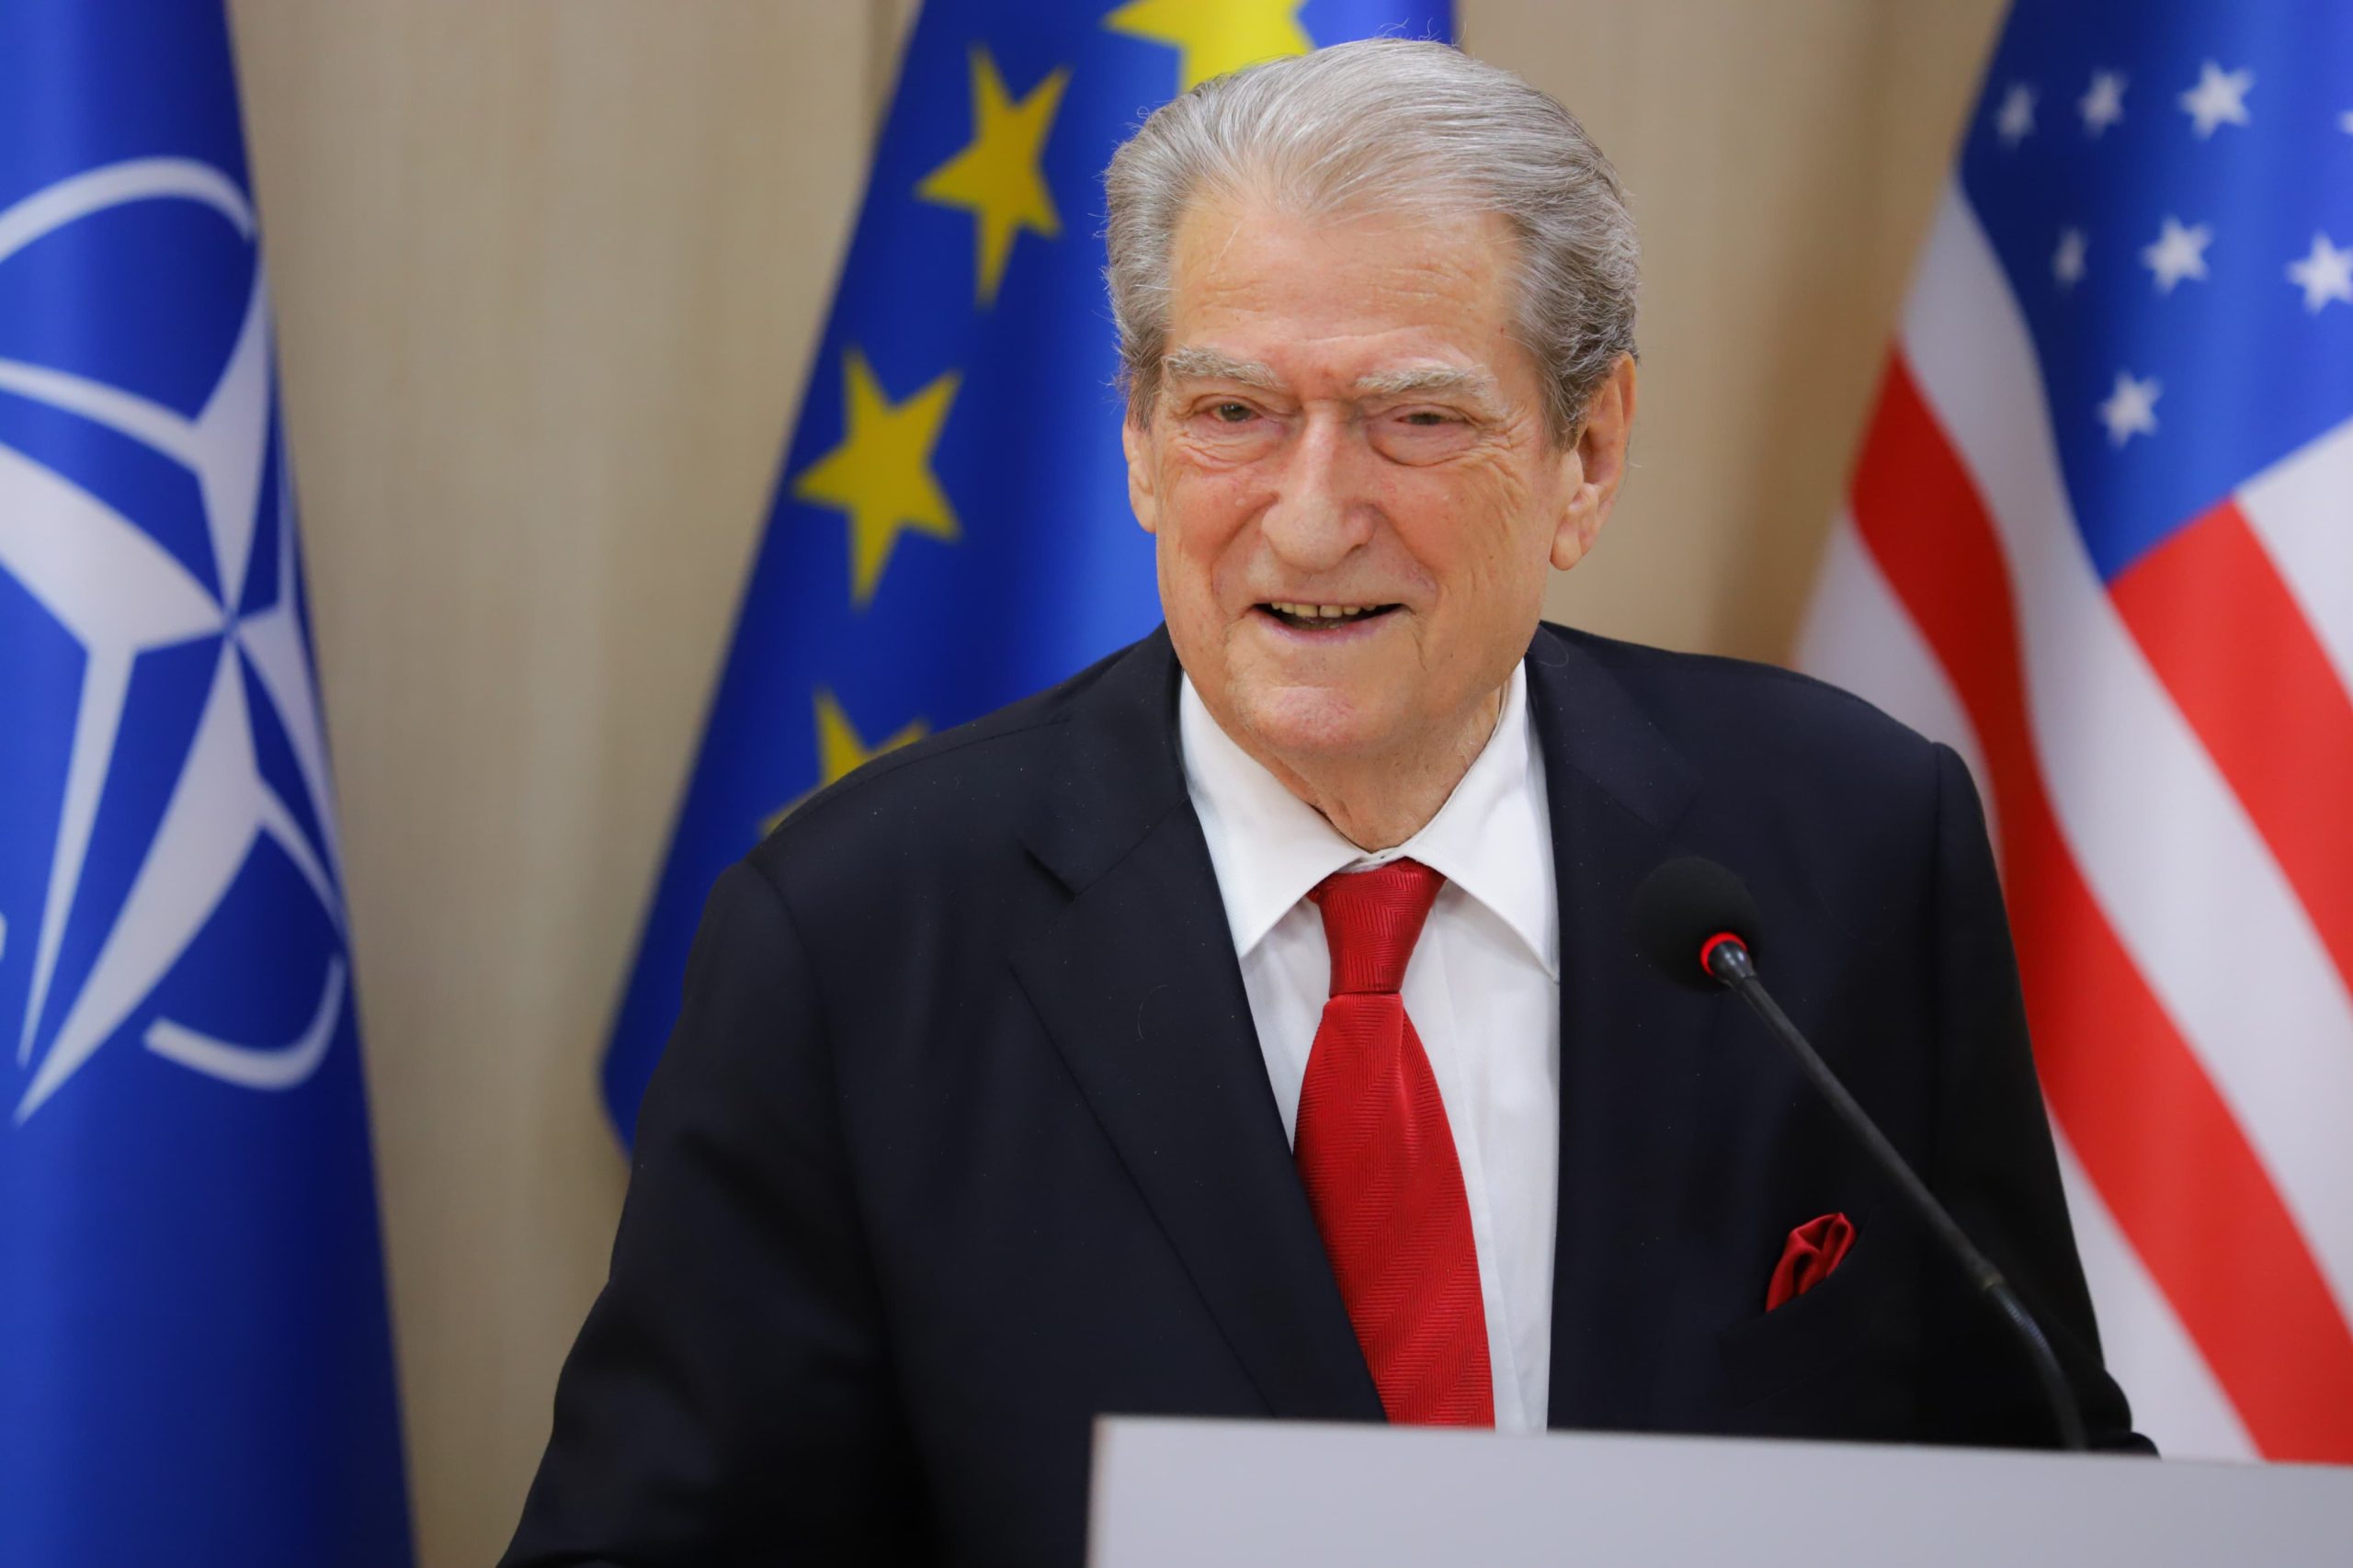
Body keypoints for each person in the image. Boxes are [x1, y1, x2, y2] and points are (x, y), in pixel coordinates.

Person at [503, 39, 2143, 1568]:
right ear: (1140, 443)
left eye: (1415, 420)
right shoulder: (858, 937)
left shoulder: (1848, 845)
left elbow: (2038, 1477)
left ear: (1586, 455)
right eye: (1233, 413)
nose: (1307, 519)